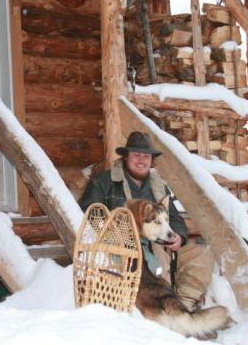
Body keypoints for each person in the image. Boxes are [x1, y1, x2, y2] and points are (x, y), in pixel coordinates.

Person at [80, 131, 215, 311]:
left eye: (146, 156)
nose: (142, 160)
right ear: (126, 157)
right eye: (136, 155)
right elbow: (91, 213)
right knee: (158, 257)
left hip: (159, 237)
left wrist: (179, 237)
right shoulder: (104, 181)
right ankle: (161, 310)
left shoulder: (158, 185)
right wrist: (120, 235)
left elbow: (174, 218)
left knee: (201, 252)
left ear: (152, 161)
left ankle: (184, 305)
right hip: (126, 244)